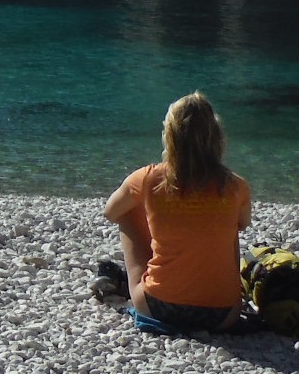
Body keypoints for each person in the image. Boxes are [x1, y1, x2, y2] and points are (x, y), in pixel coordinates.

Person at [101, 92, 252, 333]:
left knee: (128, 213)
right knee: (229, 223)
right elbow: (243, 223)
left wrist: (153, 208)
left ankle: (157, 280)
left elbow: (111, 212)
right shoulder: (235, 186)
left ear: (170, 136)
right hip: (224, 315)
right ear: (216, 137)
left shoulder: (149, 177)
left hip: (159, 306)